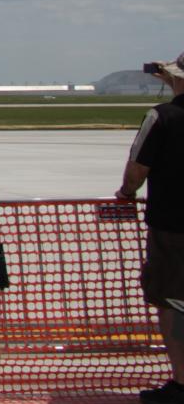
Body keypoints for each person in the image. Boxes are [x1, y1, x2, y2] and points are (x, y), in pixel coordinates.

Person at [120, 53, 184, 404]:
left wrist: (126, 194)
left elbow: (136, 170)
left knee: (174, 301)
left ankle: (181, 383)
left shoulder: (162, 116)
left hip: (173, 227)